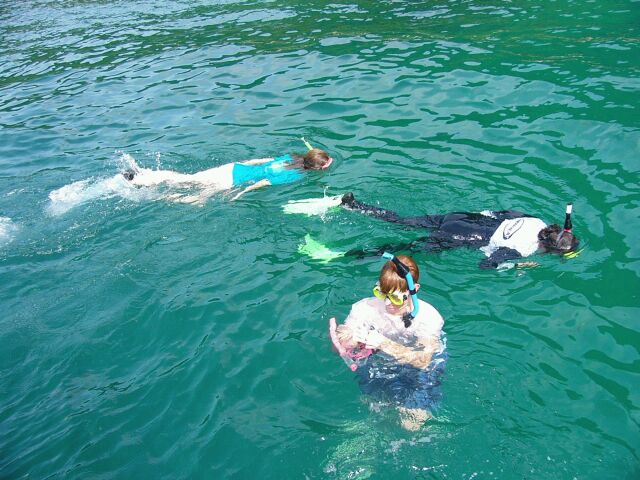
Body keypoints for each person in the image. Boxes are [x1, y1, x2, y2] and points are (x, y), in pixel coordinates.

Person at [329, 254, 446, 431]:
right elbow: (342, 342)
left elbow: (424, 361)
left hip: (419, 368)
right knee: (376, 410)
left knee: (411, 424)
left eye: (396, 298)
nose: (386, 302)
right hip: (380, 361)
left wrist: (384, 344)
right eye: (381, 293)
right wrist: (347, 340)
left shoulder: (428, 318)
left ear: (414, 290)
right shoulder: (365, 307)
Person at [337, 193, 580, 269]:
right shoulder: (525, 250)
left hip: (463, 218)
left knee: (402, 221)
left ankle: (353, 205)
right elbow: (486, 265)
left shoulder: (535, 220)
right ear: (548, 249)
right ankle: (357, 254)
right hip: (463, 237)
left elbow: (499, 214)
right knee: (409, 248)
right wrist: (518, 265)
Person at [123, 142, 333, 203]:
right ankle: (157, 195)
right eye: (325, 164)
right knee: (197, 201)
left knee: (187, 179)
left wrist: (242, 163)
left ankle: (141, 177)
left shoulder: (291, 157)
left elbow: (262, 161)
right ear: (315, 168)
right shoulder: (294, 175)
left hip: (233, 168)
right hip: (230, 180)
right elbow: (262, 183)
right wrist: (239, 194)